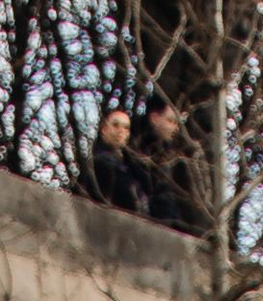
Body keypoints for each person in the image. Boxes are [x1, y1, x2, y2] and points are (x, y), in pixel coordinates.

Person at [135, 96, 195, 228]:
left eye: (177, 123)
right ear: (155, 118)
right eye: (171, 121)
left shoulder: (173, 155)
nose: (175, 128)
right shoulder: (138, 152)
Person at [78, 105, 147, 213]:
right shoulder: (98, 164)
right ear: (104, 129)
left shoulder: (133, 167)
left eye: (126, 128)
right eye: (115, 125)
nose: (121, 131)